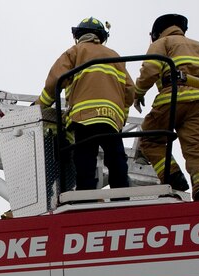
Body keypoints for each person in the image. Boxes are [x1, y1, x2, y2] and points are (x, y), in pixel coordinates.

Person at [133, 14, 199, 201]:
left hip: (171, 100)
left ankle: (173, 177)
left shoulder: (163, 43)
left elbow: (150, 70)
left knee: (150, 140)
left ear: (156, 32)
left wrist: (138, 93)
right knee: (197, 148)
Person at [36, 17, 134, 191]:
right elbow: (129, 91)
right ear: (102, 36)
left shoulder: (75, 51)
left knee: (85, 158)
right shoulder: (114, 56)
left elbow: (54, 82)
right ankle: (121, 195)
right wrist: (122, 117)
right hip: (111, 119)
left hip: (84, 117)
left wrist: (39, 106)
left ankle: (85, 195)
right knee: (116, 157)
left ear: (78, 35)